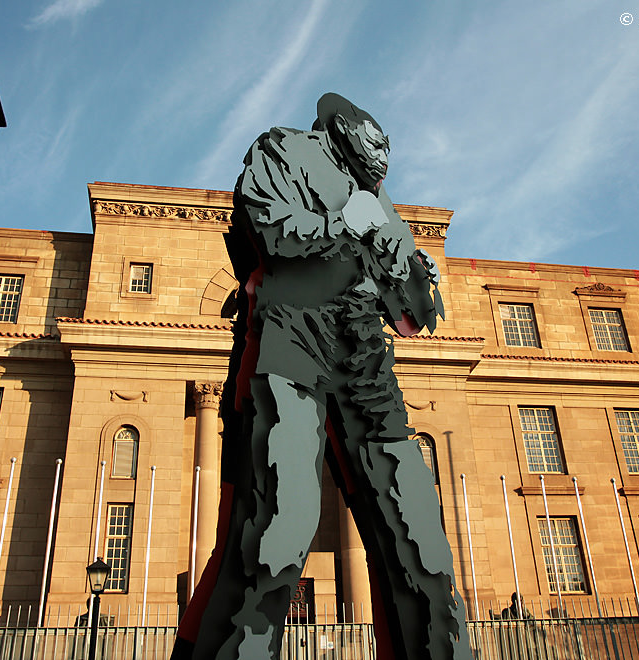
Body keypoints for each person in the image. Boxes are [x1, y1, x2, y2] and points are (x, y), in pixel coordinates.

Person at [170, 93, 471, 660]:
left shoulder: (379, 202)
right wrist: (340, 223)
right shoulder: (282, 149)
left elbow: (412, 319)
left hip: (364, 360)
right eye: (370, 150)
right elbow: (274, 237)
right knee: (277, 528)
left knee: (416, 533)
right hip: (289, 337)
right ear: (339, 131)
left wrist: (416, 277)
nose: (377, 166)